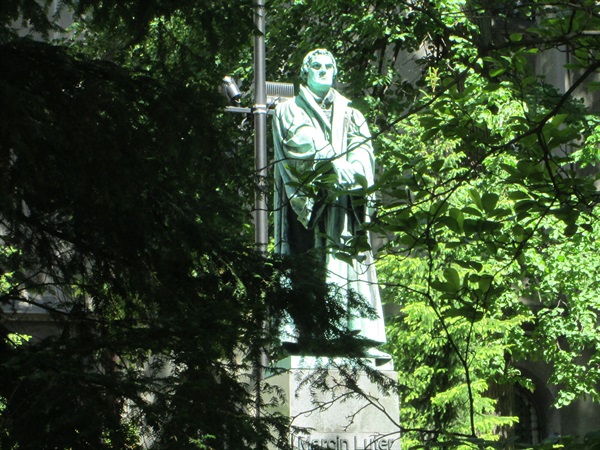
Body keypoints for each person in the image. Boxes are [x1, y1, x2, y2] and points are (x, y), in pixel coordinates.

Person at [272, 49, 387, 357]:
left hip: (343, 208)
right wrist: (333, 161)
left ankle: (354, 337)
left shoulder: (352, 113)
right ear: (305, 72)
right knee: (307, 266)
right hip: (308, 209)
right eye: (317, 66)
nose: (323, 71)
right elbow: (299, 139)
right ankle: (308, 336)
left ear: (335, 72)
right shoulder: (288, 109)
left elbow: (363, 149)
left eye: (328, 66)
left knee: (349, 262)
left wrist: (355, 171)